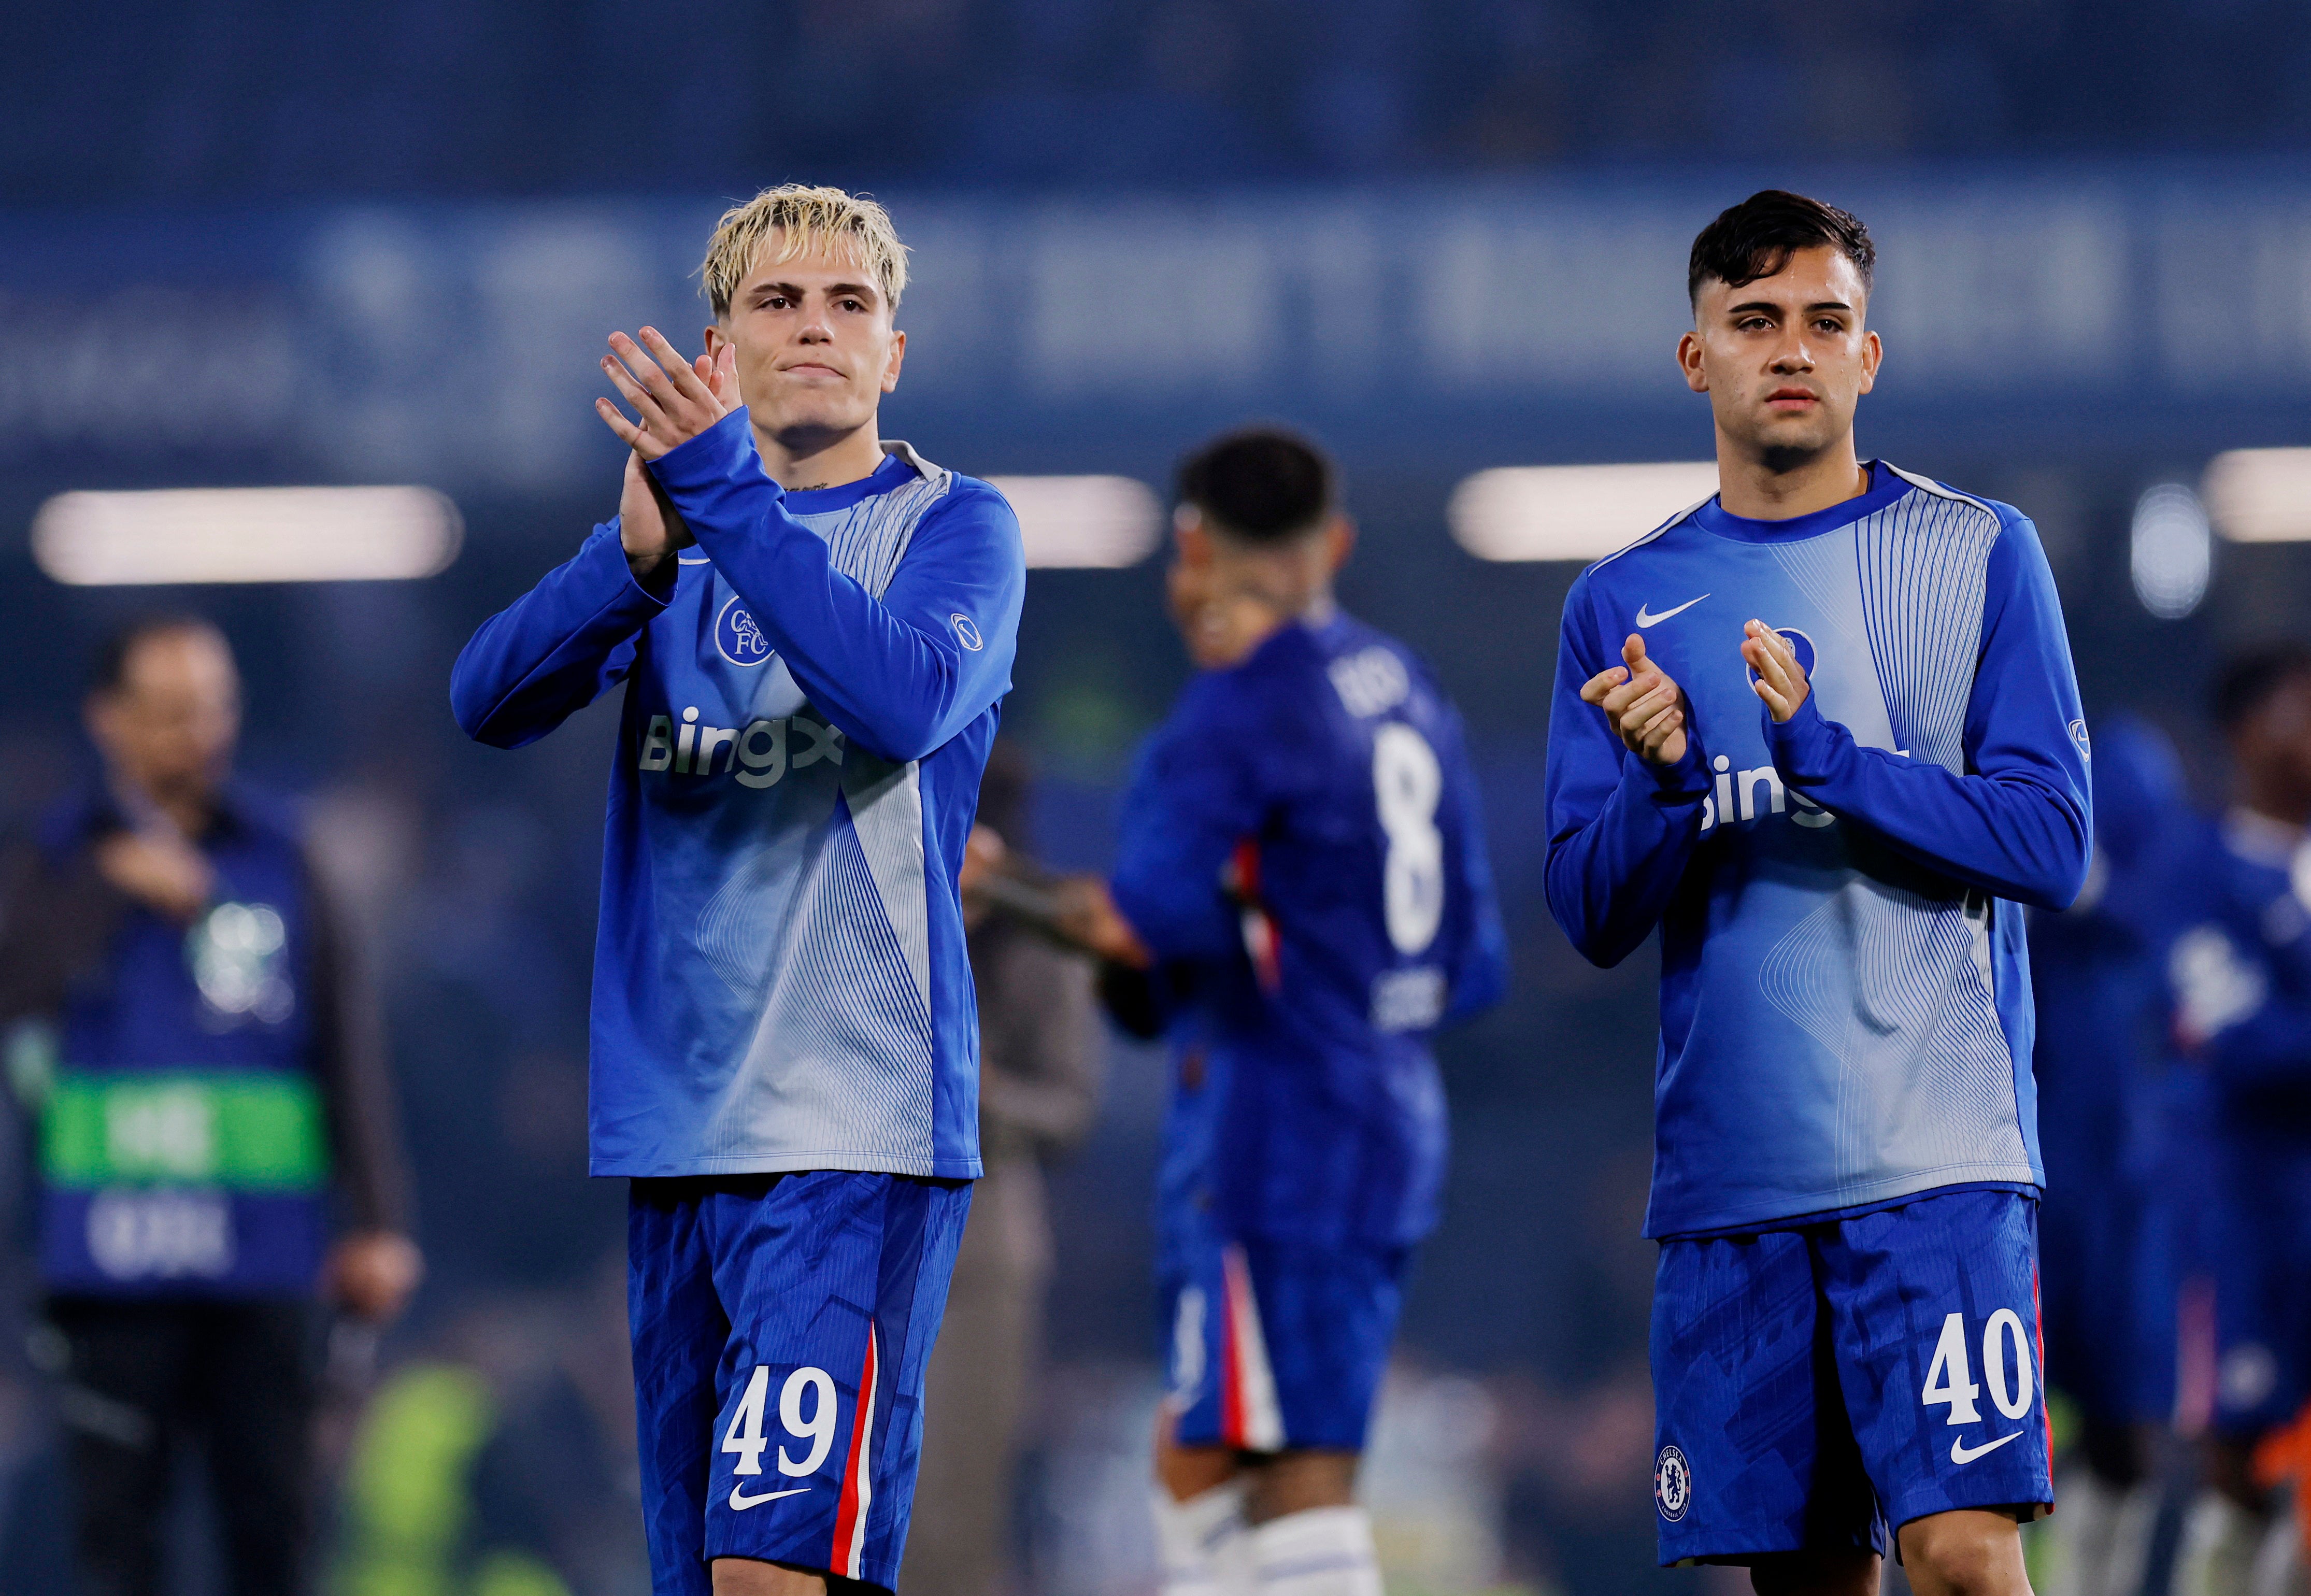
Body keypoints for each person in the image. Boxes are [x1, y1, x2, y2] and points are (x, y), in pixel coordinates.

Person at [449, 184, 1025, 1596]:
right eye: (777, 301)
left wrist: (723, 495)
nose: (815, 326)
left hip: (854, 1131)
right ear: (721, 350)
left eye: (849, 304)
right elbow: (486, 700)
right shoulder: (671, 549)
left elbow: (899, 701)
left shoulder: (959, 529)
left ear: (894, 351)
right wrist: (633, 560)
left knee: (766, 1576)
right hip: (676, 1135)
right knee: (721, 1578)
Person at [1543, 190, 2092, 1596]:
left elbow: (2049, 842)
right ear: (1696, 358)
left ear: (1867, 356)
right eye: (1754, 322)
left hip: (1938, 1161)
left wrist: (1831, 762)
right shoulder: (1620, 600)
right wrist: (1663, 787)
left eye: (1823, 322)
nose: (1791, 349)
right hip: (1733, 1179)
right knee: (1802, 1582)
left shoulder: (1975, 553)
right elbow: (1589, 912)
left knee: (1961, 1555)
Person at [1055, 426, 1508, 1596]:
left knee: (1291, 1470)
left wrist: (1004, 889)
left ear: (1194, 548)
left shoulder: (1236, 713)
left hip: (1278, 1133)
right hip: (1390, 1108)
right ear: (1333, 545)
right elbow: (1476, 959)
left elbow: (1141, 925)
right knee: (1202, 1459)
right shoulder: (1404, 685)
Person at [0, 615, 420, 1596]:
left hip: (262, 1264)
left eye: (213, 709)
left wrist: (377, 1221)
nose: (199, 734)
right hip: (112, 1264)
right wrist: (108, 890)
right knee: (119, 1541)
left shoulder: (283, 857)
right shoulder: (53, 862)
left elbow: (344, 1044)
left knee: (274, 1532)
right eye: (172, 712)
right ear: (108, 720)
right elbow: (15, 992)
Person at [909, 740, 1104, 1596]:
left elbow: (1069, 1110)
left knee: (949, 1519)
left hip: (977, 1260)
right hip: (848, 1240)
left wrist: (979, 1094)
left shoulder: (1041, 935)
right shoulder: (857, 908)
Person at [2152, 648, 2311, 1596]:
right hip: (2242, 1212)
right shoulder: (2196, 871)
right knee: (2239, 1461)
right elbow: (2239, 1039)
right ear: (2246, 733)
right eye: (2301, 708)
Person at [2025, 717, 2187, 1596]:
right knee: (2006, 1422)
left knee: (2129, 1429)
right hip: (2025, 1178)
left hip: (2132, 1190)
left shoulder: (2131, 766)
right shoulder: (1996, 771)